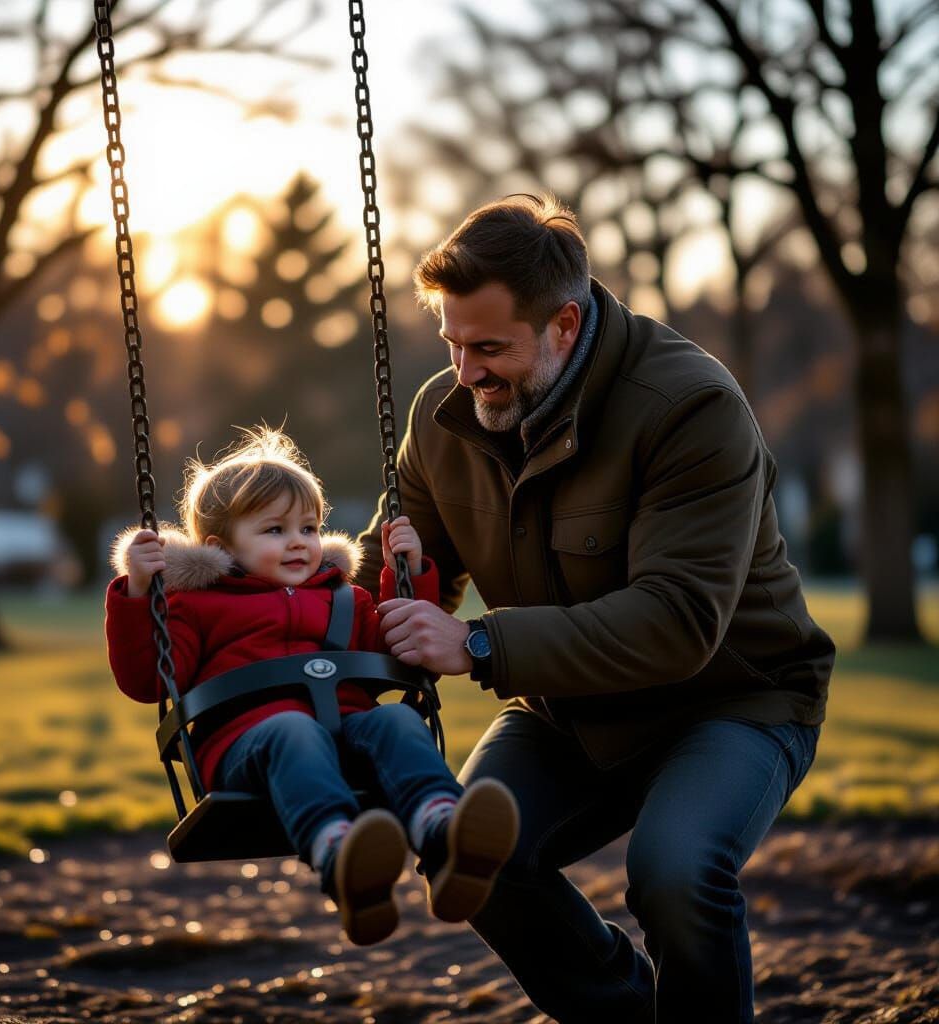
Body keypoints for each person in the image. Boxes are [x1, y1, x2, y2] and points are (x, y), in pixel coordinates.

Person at [354, 195, 835, 1021]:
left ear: (565, 327)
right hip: (567, 710)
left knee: (676, 872)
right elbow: (388, 577)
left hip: (732, 700)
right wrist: (275, 618)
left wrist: (473, 645)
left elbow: (678, 620)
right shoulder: (446, 418)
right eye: (452, 342)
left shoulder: (689, 407)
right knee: (468, 854)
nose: (465, 371)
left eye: (490, 348)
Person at [104, 428, 519, 947]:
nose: (299, 541)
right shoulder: (195, 605)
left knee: (395, 719)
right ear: (220, 547)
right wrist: (140, 596)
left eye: (309, 526)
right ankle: (341, 855)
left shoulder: (345, 600)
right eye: (274, 529)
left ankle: (445, 833)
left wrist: (406, 574)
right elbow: (148, 681)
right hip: (248, 751)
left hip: (346, 736)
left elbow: (407, 653)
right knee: (291, 730)